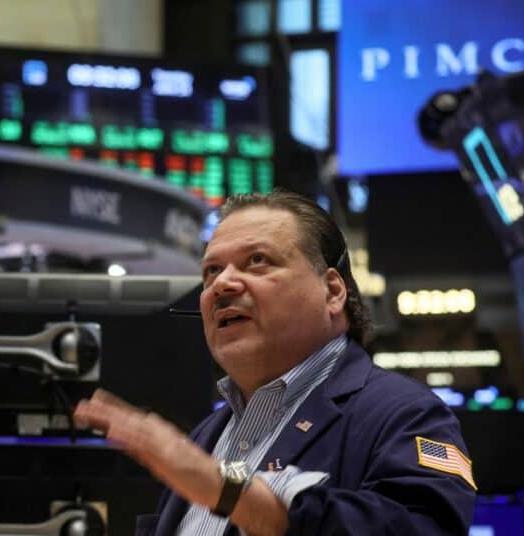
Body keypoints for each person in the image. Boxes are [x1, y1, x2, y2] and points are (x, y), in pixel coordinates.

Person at [74, 192, 475, 535]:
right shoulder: (205, 437)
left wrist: (229, 491)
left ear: (332, 291)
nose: (222, 284)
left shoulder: (404, 414)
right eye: (212, 270)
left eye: (258, 261)